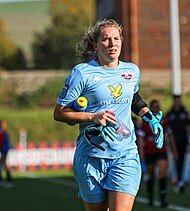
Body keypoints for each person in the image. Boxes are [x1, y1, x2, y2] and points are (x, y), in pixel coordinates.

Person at [53, 19, 164, 211]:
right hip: (91, 156)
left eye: (116, 38)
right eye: (106, 39)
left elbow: (134, 98)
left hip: (125, 154)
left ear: (121, 41)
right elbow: (60, 113)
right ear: (96, 45)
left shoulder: (132, 71)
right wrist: (92, 117)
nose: (112, 44)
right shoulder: (82, 73)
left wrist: (148, 117)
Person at [137, 99, 177, 207]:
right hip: (149, 151)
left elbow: (170, 135)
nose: (156, 108)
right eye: (154, 106)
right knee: (150, 176)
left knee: (162, 174)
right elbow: (141, 138)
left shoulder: (164, 120)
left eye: (157, 106)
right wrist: (141, 155)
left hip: (161, 150)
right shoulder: (146, 120)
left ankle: (162, 200)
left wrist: (174, 150)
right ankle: (150, 198)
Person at [166, 94, 190, 193]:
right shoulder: (170, 114)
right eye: (176, 100)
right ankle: (176, 179)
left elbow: (189, 126)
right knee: (175, 160)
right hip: (173, 141)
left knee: (182, 160)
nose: (178, 102)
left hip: (183, 141)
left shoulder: (184, 113)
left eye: (179, 100)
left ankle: (180, 180)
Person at [0, 119, 14, 187]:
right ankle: (4, 180)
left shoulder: (2, 132)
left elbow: (2, 143)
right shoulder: (3, 132)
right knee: (3, 165)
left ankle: (9, 180)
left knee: (4, 165)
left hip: (3, 150)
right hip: (4, 150)